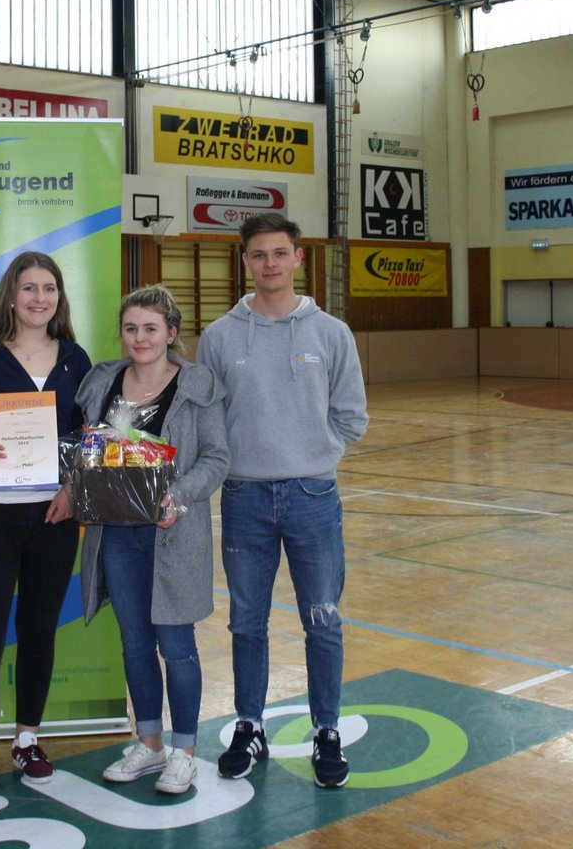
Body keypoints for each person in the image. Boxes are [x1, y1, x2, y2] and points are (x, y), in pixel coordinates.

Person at [197, 213, 368, 790]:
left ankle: (326, 729)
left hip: (312, 496)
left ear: (298, 258)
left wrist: (310, 453)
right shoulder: (220, 337)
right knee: (247, 622)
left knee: (322, 620)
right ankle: (250, 725)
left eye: (279, 253)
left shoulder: (331, 334)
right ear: (245, 261)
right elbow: (208, 420)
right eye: (258, 254)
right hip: (243, 497)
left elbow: (351, 417)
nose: (269, 263)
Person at [0, 251, 91, 810]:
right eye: (28, 288)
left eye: (48, 288)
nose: (39, 298)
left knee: (38, 631)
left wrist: (72, 489)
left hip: (54, 516)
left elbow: (86, 434)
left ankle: (27, 739)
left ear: (59, 297)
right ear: (10, 294)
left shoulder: (75, 358)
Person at [75, 285, 229, 795]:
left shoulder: (197, 386)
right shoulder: (102, 382)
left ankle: (185, 751)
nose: (140, 338)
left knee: (177, 646)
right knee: (136, 643)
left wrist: (178, 498)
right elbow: (88, 448)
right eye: (131, 328)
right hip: (117, 535)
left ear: (171, 333)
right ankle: (150, 743)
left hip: (172, 536)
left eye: (151, 328)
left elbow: (217, 458)